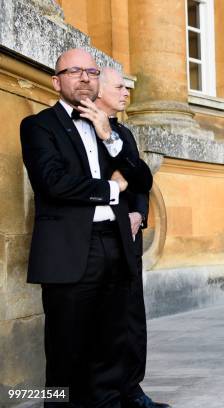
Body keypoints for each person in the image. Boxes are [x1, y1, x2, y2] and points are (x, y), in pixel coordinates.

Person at [20, 48, 153, 407]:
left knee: (111, 339)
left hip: (115, 244)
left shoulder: (110, 128)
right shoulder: (38, 126)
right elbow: (53, 183)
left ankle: (107, 401)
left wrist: (108, 135)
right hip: (71, 249)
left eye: (91, 72)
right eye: (74, 71)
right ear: (56, 80)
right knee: (66, 344)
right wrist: (112, 189)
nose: (83, 78)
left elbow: (143, 177)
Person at [95, 68, 170, 408]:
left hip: (130, 238)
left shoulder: (124, 132)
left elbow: (141, 182)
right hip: (98, 238)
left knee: (133, 319)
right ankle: (101, 393)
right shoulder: (85, 133)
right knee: (103, 321)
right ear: (98, 88)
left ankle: (133, 389)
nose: (126, 92)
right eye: (119, 87)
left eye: (127, 87)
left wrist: (139, 214)